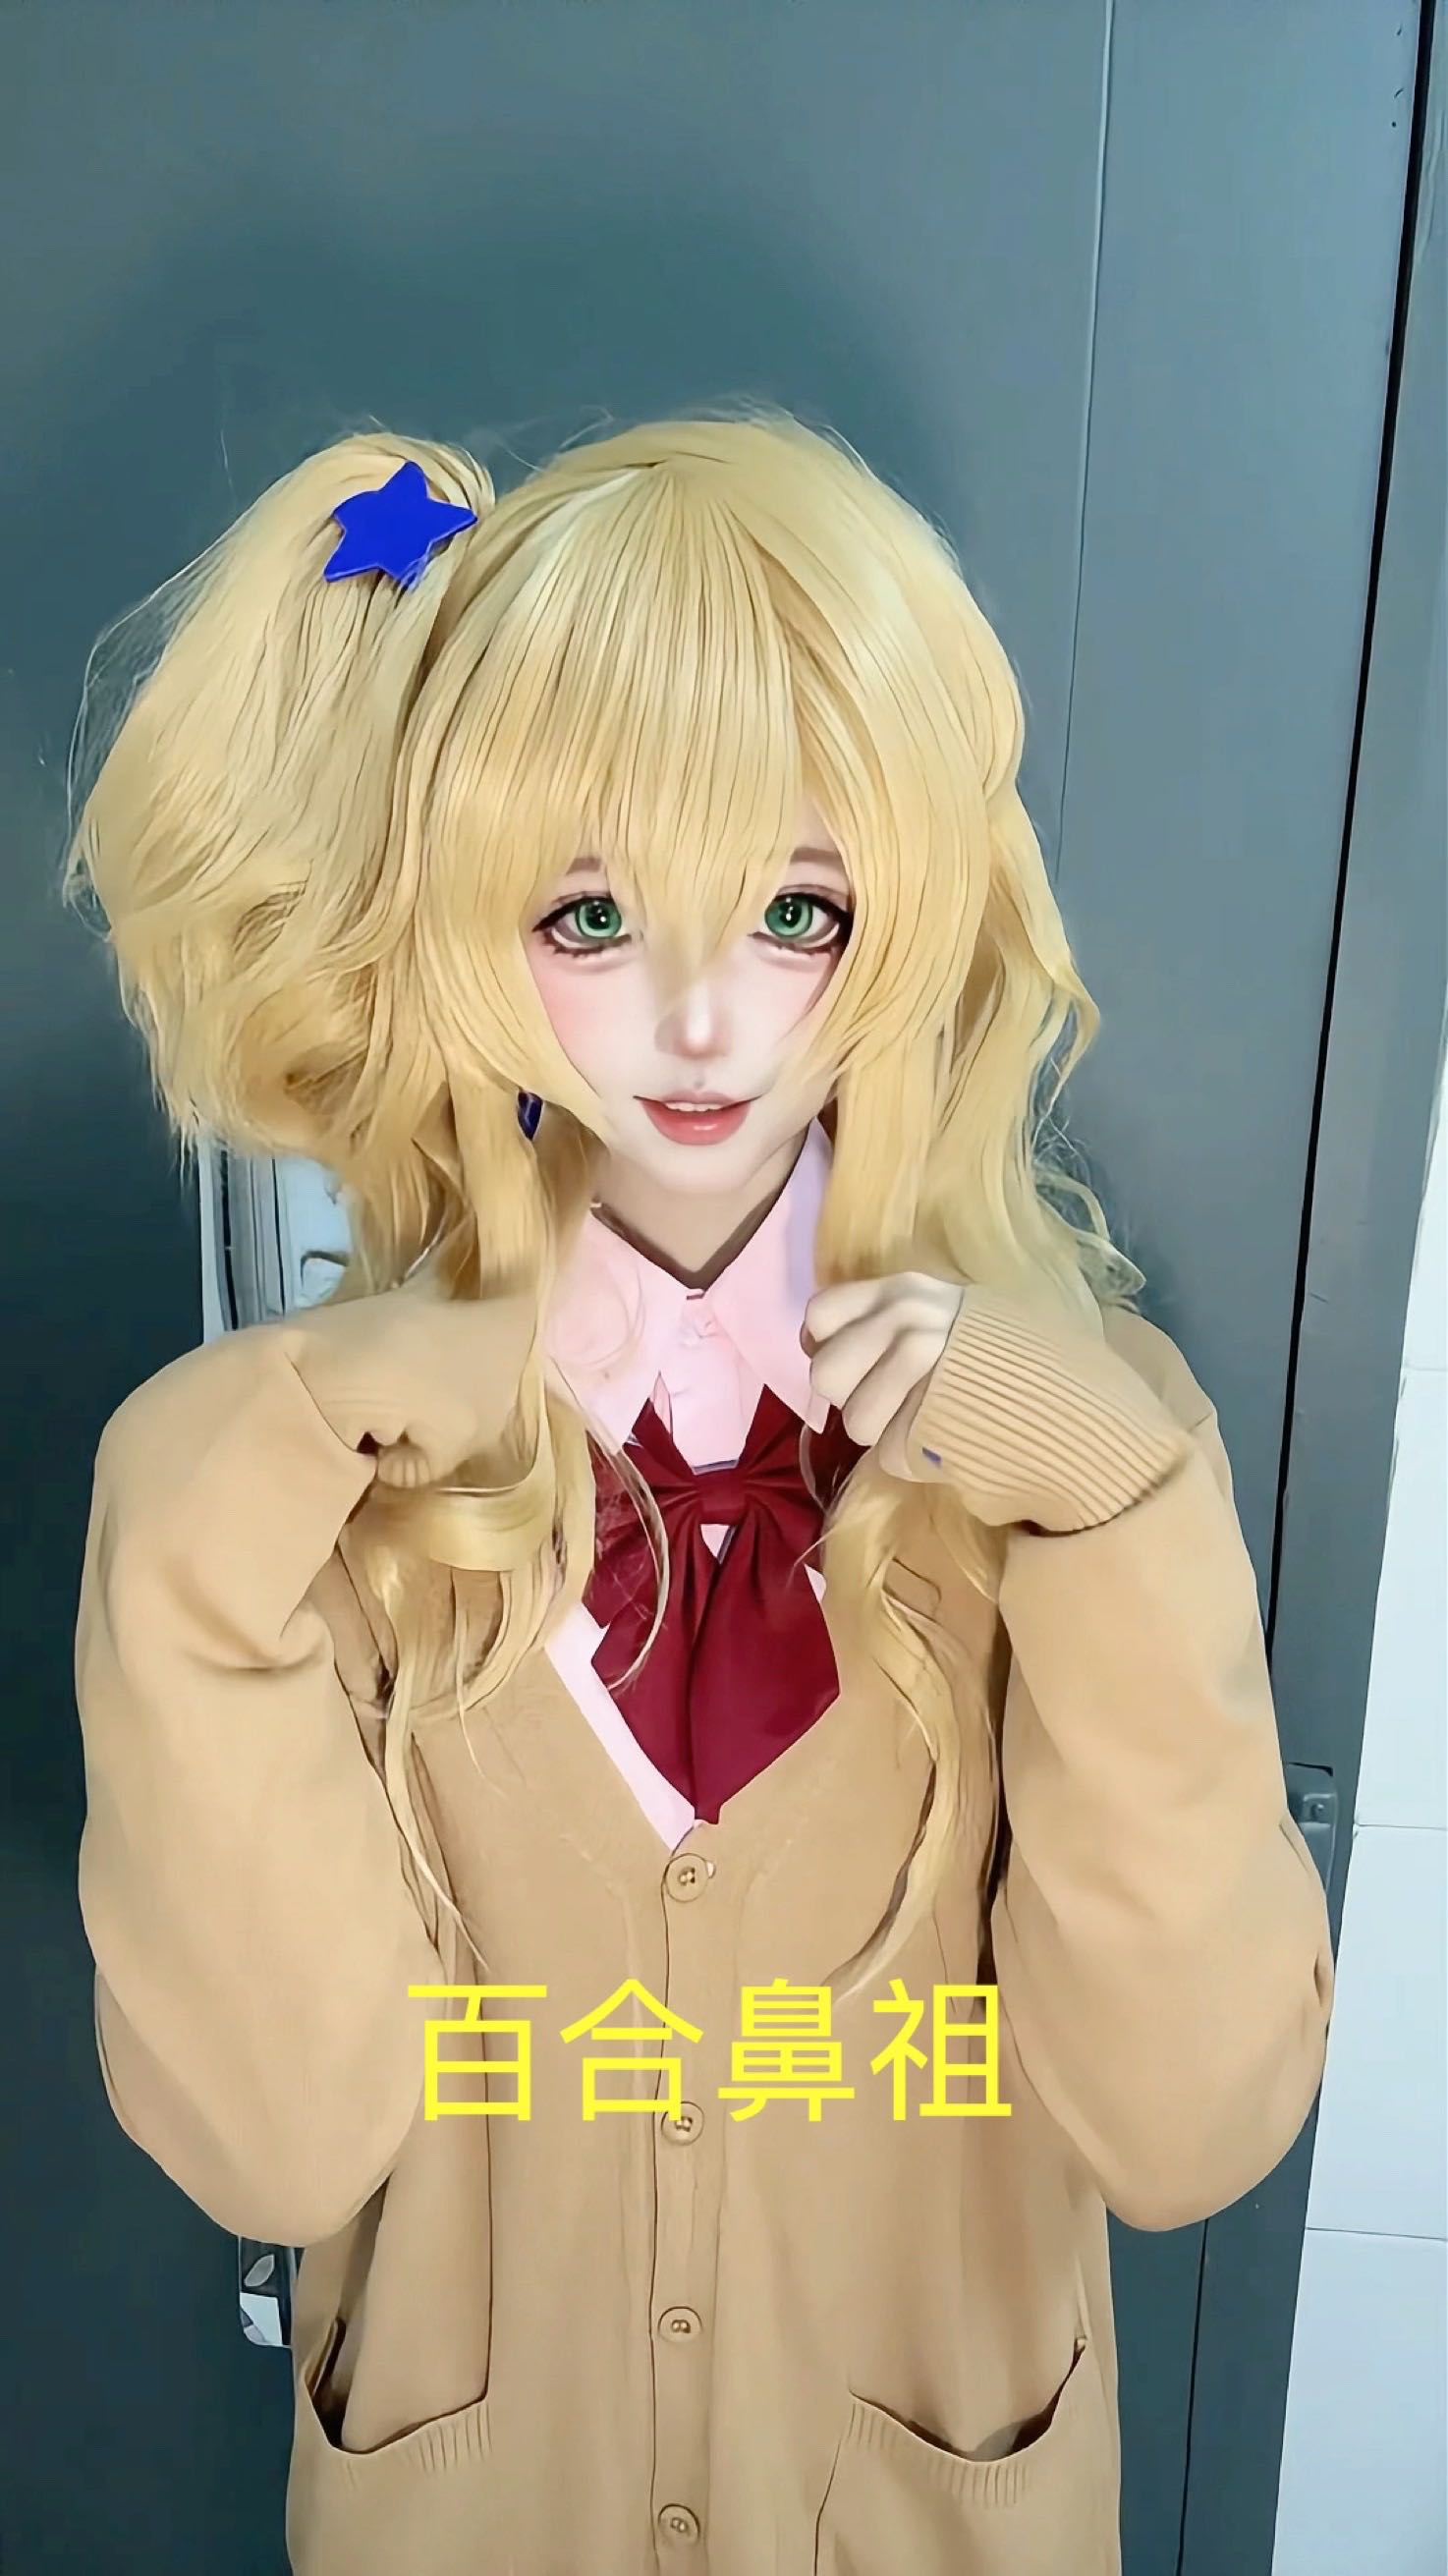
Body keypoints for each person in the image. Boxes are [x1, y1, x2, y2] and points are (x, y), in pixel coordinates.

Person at [66, 406, 1334, 2576]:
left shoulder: (1084, 1457)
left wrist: (1115, 1517)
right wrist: (195, 1507)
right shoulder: (318, 1496)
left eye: (793, 909)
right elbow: (277, 2150)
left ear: (906, 901)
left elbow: (1187, 2130)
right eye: (586, 910)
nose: (694, 1015)